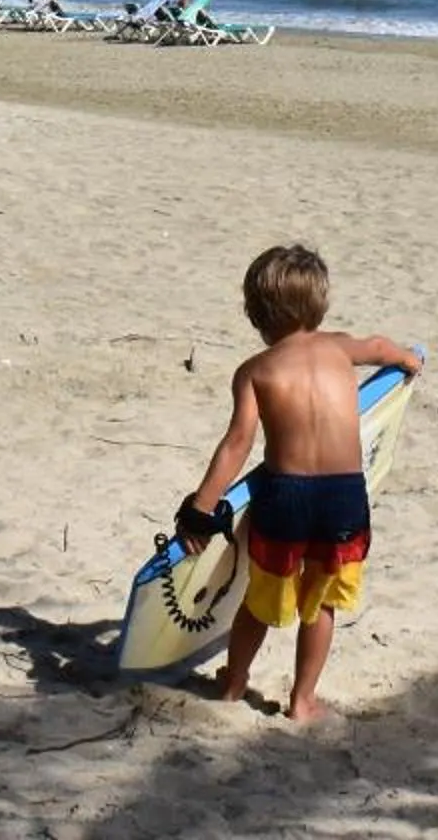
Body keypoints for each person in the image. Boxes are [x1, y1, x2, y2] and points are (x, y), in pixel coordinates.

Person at [177, 245, 424, 725]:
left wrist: (200, 510)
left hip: (285, 496)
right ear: (319, 305)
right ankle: (303, 702)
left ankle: (233, 682)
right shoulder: (338, 347)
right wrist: (407, 360)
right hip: (344, 497)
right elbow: (378, 346)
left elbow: (237, 443)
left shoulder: (255, 371)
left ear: (256, 314)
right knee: (322, 602)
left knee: (259, 599)